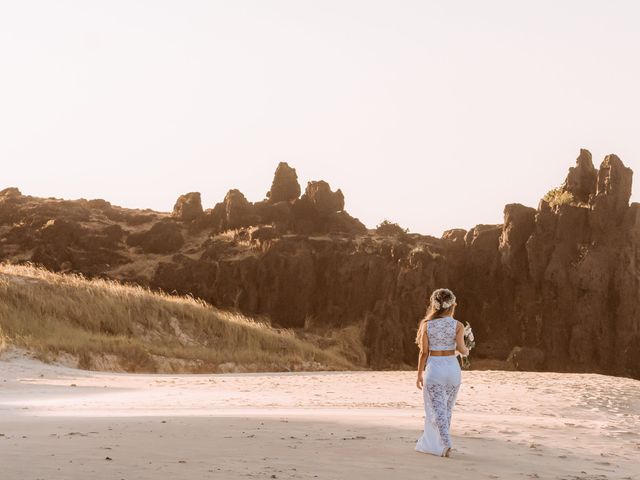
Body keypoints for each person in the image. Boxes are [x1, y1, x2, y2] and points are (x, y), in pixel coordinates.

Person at [414, 288, 469, 457]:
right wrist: (468, 348)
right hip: (452, 369)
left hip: (435, 370)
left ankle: (445, 444)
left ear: (434, 305)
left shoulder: (427, 325)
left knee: (437, 410)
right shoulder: (458, 325)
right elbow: (462, 349)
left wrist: (419, 374)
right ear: (452, 305)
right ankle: (441, 444)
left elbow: (424, 352)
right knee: (447, 409)